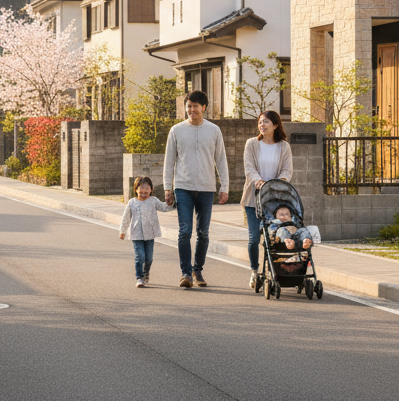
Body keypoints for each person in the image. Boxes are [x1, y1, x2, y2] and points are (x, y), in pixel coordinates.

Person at [163, 90, 228, 289]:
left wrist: (224, 186)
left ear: (204, 108)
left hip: (207, 188)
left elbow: (221, 160)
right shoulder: (176, 130)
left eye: (196, 106)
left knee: (203, 232)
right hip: (183, 186)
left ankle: (197, 270)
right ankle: (185, 273)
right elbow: (169, 160)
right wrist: (167, 187)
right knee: (184, 231)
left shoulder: (214, 130)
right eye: (189, 106)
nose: (192, 110)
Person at [242, 110, 293, 288]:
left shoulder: (284, 147)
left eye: (266, 122)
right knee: (254, 238)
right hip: (253, 198)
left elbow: (287, 170)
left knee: (275, 237)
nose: (262, 125)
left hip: (275, 200)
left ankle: (275, 269)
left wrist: (278, 183)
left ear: (275, 125)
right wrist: (260, 182)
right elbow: (249, 168)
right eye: (260, 122)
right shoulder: (251, 144)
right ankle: (254, 271)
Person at [118, 176, 174, 287]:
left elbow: (164, 207)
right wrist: (122, 231)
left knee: (149, 258)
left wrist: (173, 203)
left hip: (150, 234)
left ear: (151, 189)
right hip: (136, 234)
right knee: (140, 257)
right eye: (141, 192)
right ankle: (139, 277)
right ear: (136, 190)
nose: (143, 194)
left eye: (146, 192)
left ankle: (146, 273)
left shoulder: (153, 201)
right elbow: (126, 217)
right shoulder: (132, 202)